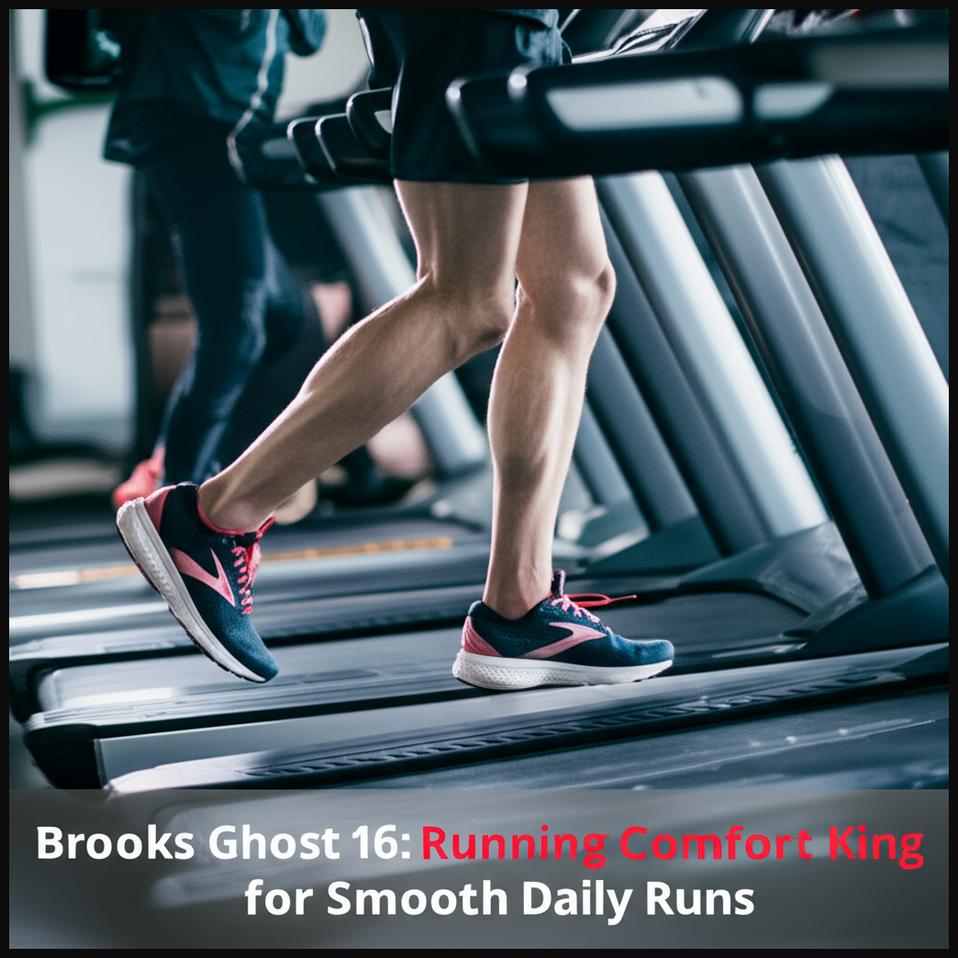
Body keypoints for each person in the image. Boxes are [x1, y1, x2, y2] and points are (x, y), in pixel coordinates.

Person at [116, 9, 674, 689]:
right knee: (466, 300)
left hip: (515, 26)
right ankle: (212, 516)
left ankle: (520, 607)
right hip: (489, 19)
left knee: (576, 289)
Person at [105, 10, 398, 519]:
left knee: (289, 318)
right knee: (236, 331)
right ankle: (176, 505)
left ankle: (197, 471)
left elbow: (308, 35)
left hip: (225, 130)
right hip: (193, 125)